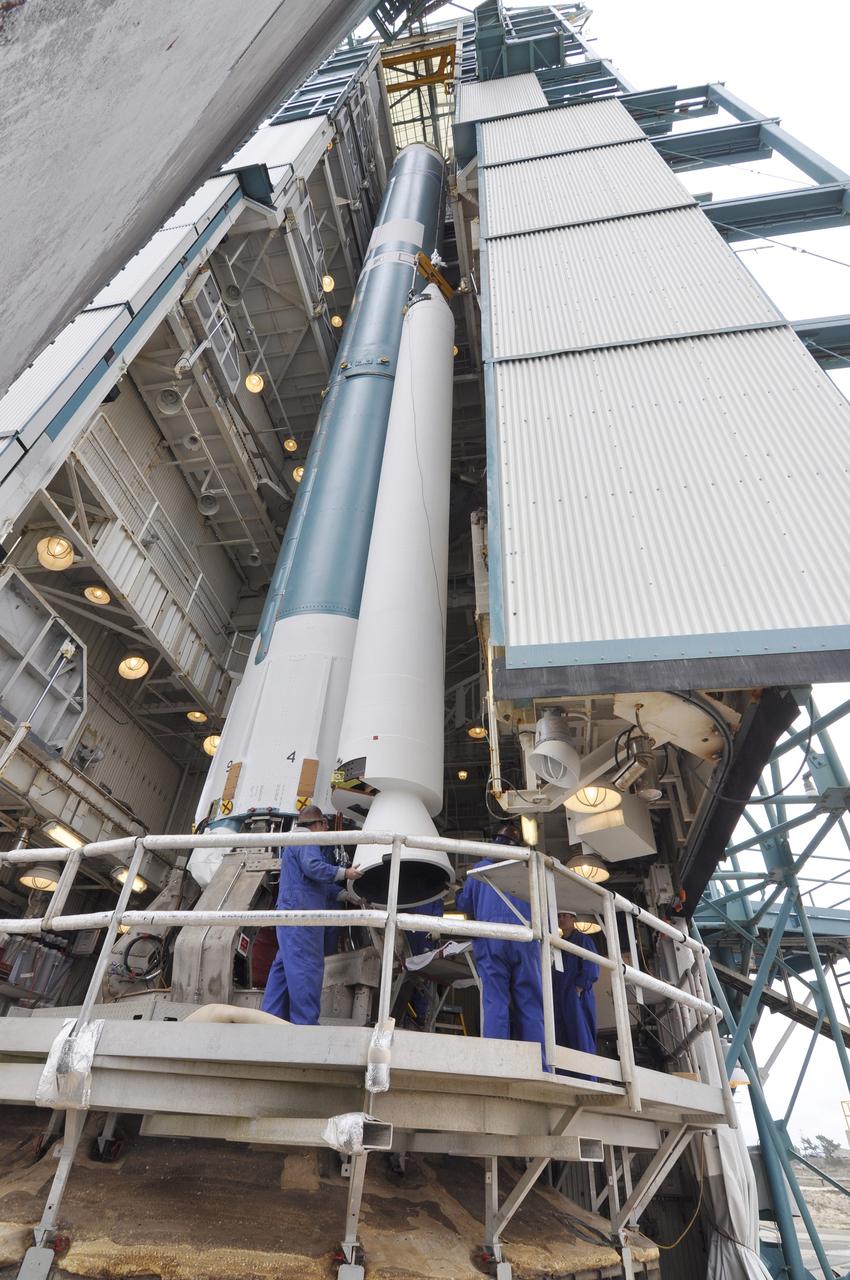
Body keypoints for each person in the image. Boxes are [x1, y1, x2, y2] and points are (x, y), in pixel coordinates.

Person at [454, 823, 547, 1063]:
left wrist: (456, 892)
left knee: (496, 1000)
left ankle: (497, 1061)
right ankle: (538, 1062)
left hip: (492, 938)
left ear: (493, 840)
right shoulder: (527, 867)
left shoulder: (478, 870)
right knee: (530, 1001)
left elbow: (464, 904)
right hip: (524, 938)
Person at [261, 805, 362, 1024]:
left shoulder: (295, 843)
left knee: (284, 971)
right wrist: (346, 873)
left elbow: (314, 883)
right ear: (319, 824)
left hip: (290, 918)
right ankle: (305, 1026)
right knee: (306, 970)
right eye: (325, 826)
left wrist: (346, 896)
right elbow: (314, 868)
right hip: (303, 919)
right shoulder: (307, 840)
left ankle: (270, 1020)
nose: (326, 832)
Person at [553, 911, 599, 1069]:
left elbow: (592, 967)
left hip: (576, 996)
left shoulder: (583, 940)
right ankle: (566, 1072)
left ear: (574, 919)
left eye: (566, 916)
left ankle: (587, 1073)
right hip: (559, 995)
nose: (562, 919)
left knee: (580, 1034)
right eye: (560, 916)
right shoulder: (556, 943)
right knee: (561, 1034)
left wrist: (579, 988)